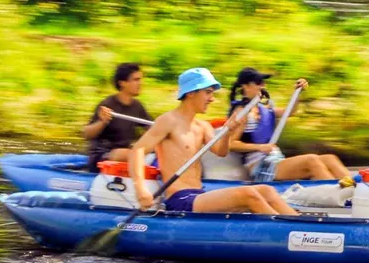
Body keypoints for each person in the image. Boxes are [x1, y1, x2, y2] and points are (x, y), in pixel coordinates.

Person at [129, 68, 299, 216]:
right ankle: (289, 233)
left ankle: (302, 227)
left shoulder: (202, 126)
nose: (212, 99)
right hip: (180, 198)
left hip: (199, 193)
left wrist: (228, 132)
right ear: (191, 93)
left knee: (266, 190)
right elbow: (137, 151)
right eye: (208, 92)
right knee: (249, 194)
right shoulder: (168, 120)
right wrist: (141, 189)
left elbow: (221, 151)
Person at [226, 67, 352, 182]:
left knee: (330, 159)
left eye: (263, 82)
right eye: (258, 82)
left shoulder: (263, 109)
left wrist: (298, 92)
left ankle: (356, 188)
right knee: (311, 160)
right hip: (259, 165)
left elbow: (290, 112)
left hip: (276, 159)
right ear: (246, 86)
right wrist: (260, 147)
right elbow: (231, 144)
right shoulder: (241, 112)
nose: (263, 85)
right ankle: (336, 193)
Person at [82, 62, 150, 171]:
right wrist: (102, 122)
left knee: (146, 150)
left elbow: (152, 129)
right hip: (103, 156)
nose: (141, 83)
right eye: (136, 80)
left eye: (141, 79)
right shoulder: (107, 104)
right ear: (122, 83)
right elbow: (86, 134)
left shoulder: (137, 106)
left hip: (125, 153)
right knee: (129, 153)